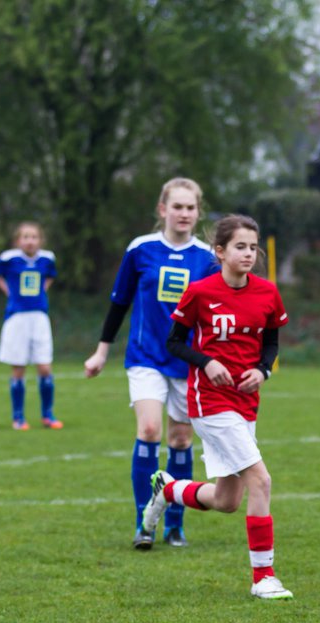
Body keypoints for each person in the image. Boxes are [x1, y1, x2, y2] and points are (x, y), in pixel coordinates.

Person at [140, 214, 293, 600]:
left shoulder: (267, 293)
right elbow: (174, 343)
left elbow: (271, 343)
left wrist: (263, 370)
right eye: (240, 246)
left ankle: (168, 489)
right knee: (261, 480)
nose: (249, 253)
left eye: (253, 247)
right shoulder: (200, 292)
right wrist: (206, 361)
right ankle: (263, 578)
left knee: (227, 501)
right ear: (220, 251)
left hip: (246, 402)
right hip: (208, 401)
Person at [84, 178, 218, 549]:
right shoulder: (140, 249)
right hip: (144, 357)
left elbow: (212, 314)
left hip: (186, 362)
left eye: (190, 207)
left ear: (198, 212)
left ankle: (175, 524)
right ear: (163, 210)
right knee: (148, 431)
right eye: (177, 206)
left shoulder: (207, 258)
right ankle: (144, 522)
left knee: (180, 439)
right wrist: (102, 350)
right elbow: (119, 301)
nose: (184, 214)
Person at [0, 222, 60, 430]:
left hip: (39, 318)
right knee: (19, 368)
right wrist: (7, 290)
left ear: (40, 240)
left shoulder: (47, 258)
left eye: (34, 237)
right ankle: (18, 417)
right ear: (18, 241)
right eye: (25, 237)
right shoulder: (9, 258)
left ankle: (48, 415)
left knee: (44, 366)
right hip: (17, 318)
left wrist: (42, 291)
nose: (30, 241)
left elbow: (51, 276)